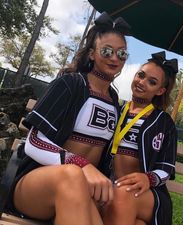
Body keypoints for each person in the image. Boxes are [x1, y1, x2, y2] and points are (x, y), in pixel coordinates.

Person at [3, 12, 130, 225]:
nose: (115, 58)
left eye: (122, 54)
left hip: (82, 192)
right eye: (107, 51)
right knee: (71, 175)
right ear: (91, 54)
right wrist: (80, 165)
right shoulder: (70, 84)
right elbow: (34, 142)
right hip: (38, 185)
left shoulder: (114, 101)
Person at [102, 51, 178, 225]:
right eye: (140, 75)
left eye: (152, 82)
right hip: (109, 185)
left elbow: (167, 168)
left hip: (146, 193)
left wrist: (148, 178)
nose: (142, 82)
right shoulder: (115, 110)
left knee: (122, 194)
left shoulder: (164, 123)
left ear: (160, 90)